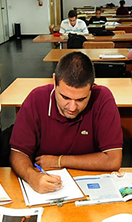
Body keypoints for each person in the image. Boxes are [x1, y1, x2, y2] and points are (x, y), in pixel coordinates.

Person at [10, 52, 123, 193]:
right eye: (65, 97)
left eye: (81, 99)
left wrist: (59, 161)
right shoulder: (35, 99)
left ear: (91, 88)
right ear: (54, 81)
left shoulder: (103, 98)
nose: (72, 107)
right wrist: (32, 177)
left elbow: (113, 160)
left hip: (90, 185)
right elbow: (18, 153)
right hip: (45, 183)